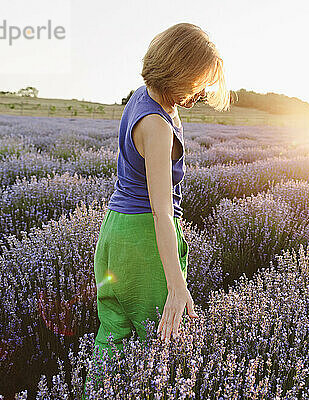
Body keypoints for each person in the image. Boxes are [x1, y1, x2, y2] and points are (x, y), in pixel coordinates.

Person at [83, 22, 231, 397]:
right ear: (177, 72)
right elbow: (161, 211)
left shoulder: (141, 98)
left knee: (112, 336)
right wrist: (177, 286)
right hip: (145, 245)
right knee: (161, 346)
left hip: (115, 234)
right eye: (197, 81)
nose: (200, 92)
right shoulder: (158, 126)